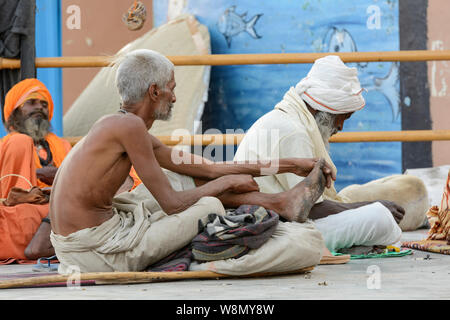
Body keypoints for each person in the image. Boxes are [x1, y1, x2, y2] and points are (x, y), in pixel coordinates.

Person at [49, 49, 336, 273]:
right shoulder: (130, 128)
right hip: (95, 253)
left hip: (89, 242)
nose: (174, 97)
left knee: (186, 178)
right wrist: (224, 183)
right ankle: (278, 204)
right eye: (171, 88)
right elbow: (173, 203)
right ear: (154, 91)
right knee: (209, 203)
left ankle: (282, 202)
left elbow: (208, 167)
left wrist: (291, 163)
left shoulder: (122, 126)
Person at [234, 55, 429, 252]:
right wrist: (370, 206)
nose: (341, 127)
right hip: (276, 232)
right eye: (341, 118)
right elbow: (309, 209)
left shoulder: (292, 121)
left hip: (278, 223)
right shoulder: (293, 131)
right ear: (325, 110)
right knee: (381, 219)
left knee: (379, 212)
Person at [0, 78, 71, 261]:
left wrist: (57, 178)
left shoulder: (62, 146)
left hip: (50, 207)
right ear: (15, 113)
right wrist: (37, 175)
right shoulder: (7, 145)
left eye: (44, 104)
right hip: (13, 209)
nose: (39, 107)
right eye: (31, 103)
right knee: (19, 141)